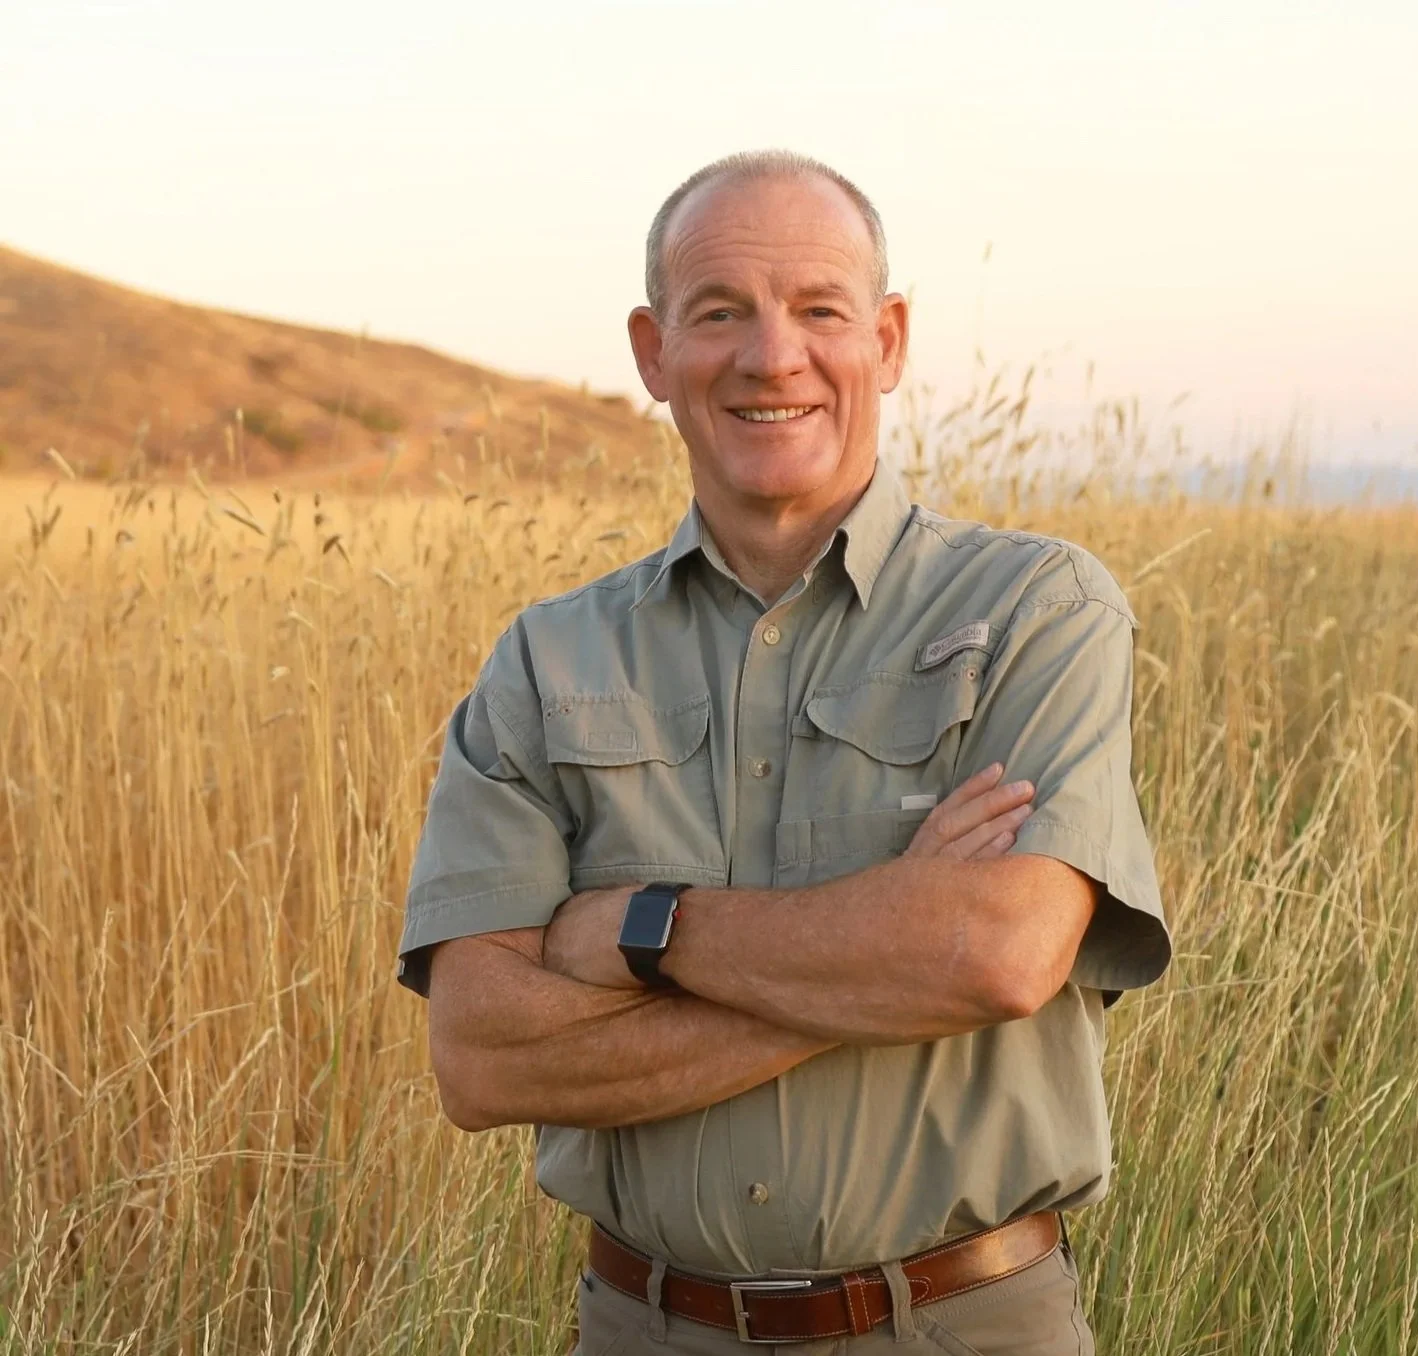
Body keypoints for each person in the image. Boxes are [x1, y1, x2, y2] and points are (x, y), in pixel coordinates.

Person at [398, 150, 1171, 1355]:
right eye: (721, 314)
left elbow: (1001, 956)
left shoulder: (1039, 610)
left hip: (960, 1326)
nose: (773, 356)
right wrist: (892, 952)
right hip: (646, 1328)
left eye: (820, 310)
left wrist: (636, 931)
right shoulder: (548, 663)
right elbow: (482, 1060)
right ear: (655, 353)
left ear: (891, 340)